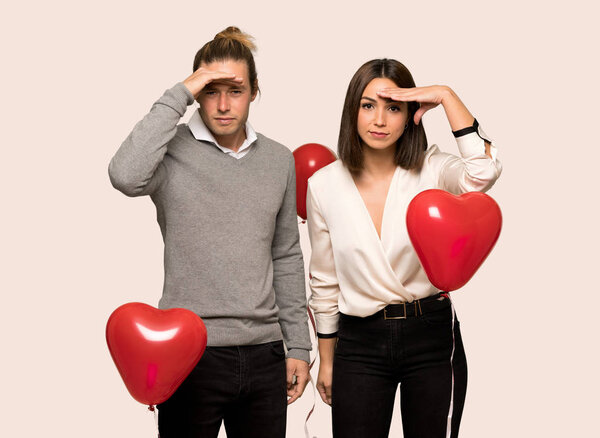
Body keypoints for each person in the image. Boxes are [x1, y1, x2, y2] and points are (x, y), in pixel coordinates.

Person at [108, 26, 311, 438]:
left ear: (255, 91)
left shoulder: (278, 159)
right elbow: (124, 175)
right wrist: (181, 91)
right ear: (196, 93)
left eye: (234, 91)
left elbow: (286, 253)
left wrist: (300, 348)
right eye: (209, 90)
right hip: (189, 352)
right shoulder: (170, 152)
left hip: (265, 353)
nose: (221, 105)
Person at [307, 58, 502, 438]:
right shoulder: (324, 184)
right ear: (353, 111)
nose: (379, 120)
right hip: (358, 341)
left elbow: (483, 171)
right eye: (368, 105)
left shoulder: (432, 169)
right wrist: (326, 361)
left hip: (429, 334)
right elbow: (324, 281)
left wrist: (446, 96)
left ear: (411, 114)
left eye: (393, 107)